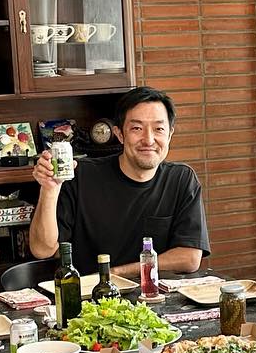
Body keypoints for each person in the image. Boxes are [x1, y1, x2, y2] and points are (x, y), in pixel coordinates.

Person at [28, 84, 209, 280]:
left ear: (170, 134)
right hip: (92, 295)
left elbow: (190, 258)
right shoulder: (80, 175)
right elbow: (42, 250)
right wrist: (49, 189)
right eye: (137, 128)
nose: (148, 139)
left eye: (159, 129)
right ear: (120, 134)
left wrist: (115, 273)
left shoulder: (181, 179)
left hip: (155, 294)